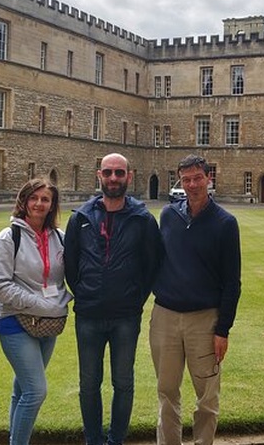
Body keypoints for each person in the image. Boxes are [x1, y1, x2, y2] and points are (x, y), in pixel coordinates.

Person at [64, 153, 162, 445]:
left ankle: (116, 440)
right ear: (99, 176)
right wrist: (84, 291)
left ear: (129, 177)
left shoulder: (142, 219)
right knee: (89, 384)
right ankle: (93, 440)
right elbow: (70, 264)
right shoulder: (80, 218)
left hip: (125, 316)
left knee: (123, 383)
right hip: (89, 315)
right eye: (108, 173)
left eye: (119, 173)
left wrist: (134, 297)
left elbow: (152, 265)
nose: (114, 178)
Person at [150, 154, 242, 445]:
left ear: (208, 178)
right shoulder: (168, 215)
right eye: (186, 179)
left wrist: (222, 330)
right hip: (165, 316)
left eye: (197, 178)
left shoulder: (225, 223)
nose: (192, 184)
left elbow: (232, 283)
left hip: (204, 320)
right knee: (166, 392)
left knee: (206, 398)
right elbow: (155, 260)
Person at [0, 178, 72, 445]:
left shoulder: (60, 238)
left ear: (52, 205)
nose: (39, 204)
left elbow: (74, 276)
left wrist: (63, 300)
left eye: (45, 199)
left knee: (22, 388)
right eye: (33, 198)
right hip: (15, 319)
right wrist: (45, 305)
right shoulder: (8, 237)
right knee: (36, 391)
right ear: (23, 202)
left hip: (49, 324)